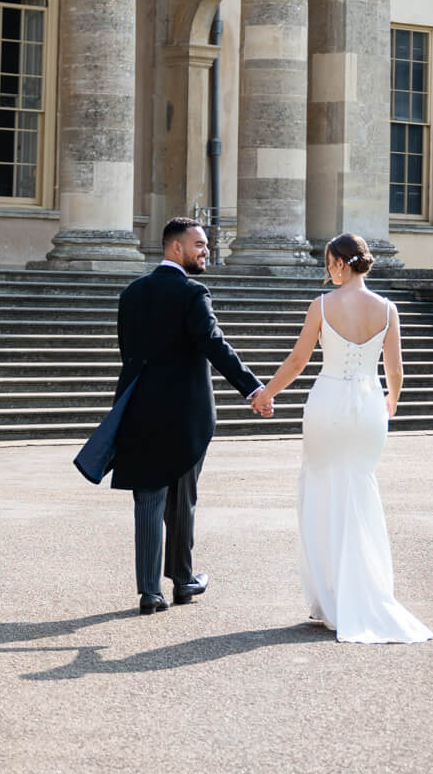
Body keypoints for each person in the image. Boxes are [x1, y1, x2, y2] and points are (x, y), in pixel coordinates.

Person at [260, 230, 432, 644]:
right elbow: (396, 370)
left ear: (339, 263)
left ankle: (332, 597)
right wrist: (391, 401)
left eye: (328, 263)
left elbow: (300, 359)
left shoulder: (322, 305)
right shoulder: (387, 309)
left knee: (320, 491)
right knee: (359, 491)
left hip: (328, 402)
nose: (327, 271)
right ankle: (365, 591)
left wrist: (268, 392)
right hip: (369, 405)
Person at [110, 216, 273, 614]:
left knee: (147, 501)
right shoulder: (192, 291)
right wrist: (252, 388)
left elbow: (126, 351)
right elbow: (214, 344)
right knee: (182, 500)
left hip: (138, 410)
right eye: (200, 245)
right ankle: (182, 581)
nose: (206, 251)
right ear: (175, 248)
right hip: (184, 416)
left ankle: (151, 592)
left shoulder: (132, 293)